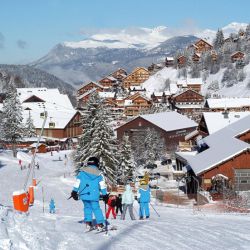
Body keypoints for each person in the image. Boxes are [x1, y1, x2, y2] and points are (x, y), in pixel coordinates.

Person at [71, 157, 109, 230]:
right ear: (96, 164)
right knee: (96, 208)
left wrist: (74, 191)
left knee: (87, 208)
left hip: (84, 194)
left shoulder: (81, 172)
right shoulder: (99, 174)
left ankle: (88, 223)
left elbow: (77, 183)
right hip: (94, 195)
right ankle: (100, 224)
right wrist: (105, 195)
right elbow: (102, 185)